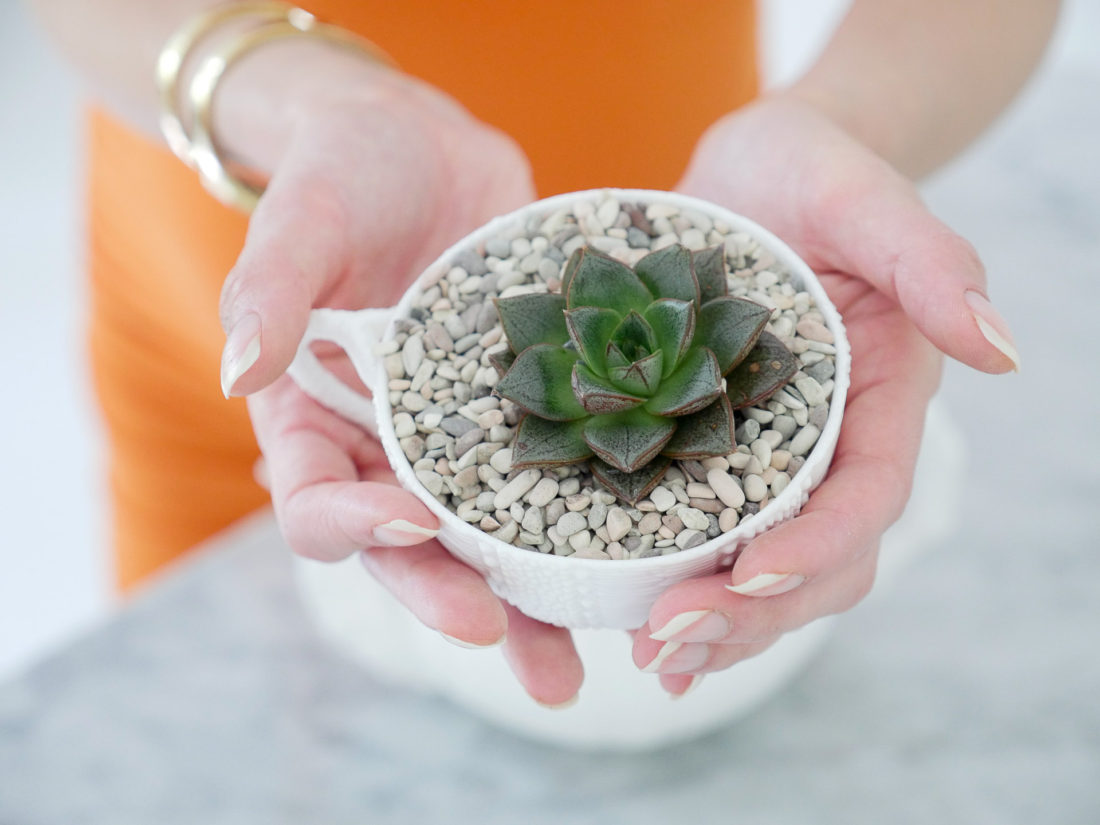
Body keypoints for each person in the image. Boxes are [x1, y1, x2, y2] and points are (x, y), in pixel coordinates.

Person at [31, 0, 1053, 706]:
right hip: (227, 293)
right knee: (195, 720)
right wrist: (312, 106)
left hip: (711, 204)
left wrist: (844, 122)